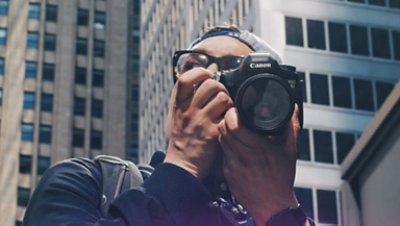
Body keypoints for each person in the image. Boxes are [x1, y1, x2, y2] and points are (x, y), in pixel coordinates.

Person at [23, 26, 313, 226]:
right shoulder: (87, 183)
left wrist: (280, 211)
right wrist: (181, 170)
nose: (210, 76)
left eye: (233, 70)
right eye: (193, 66)